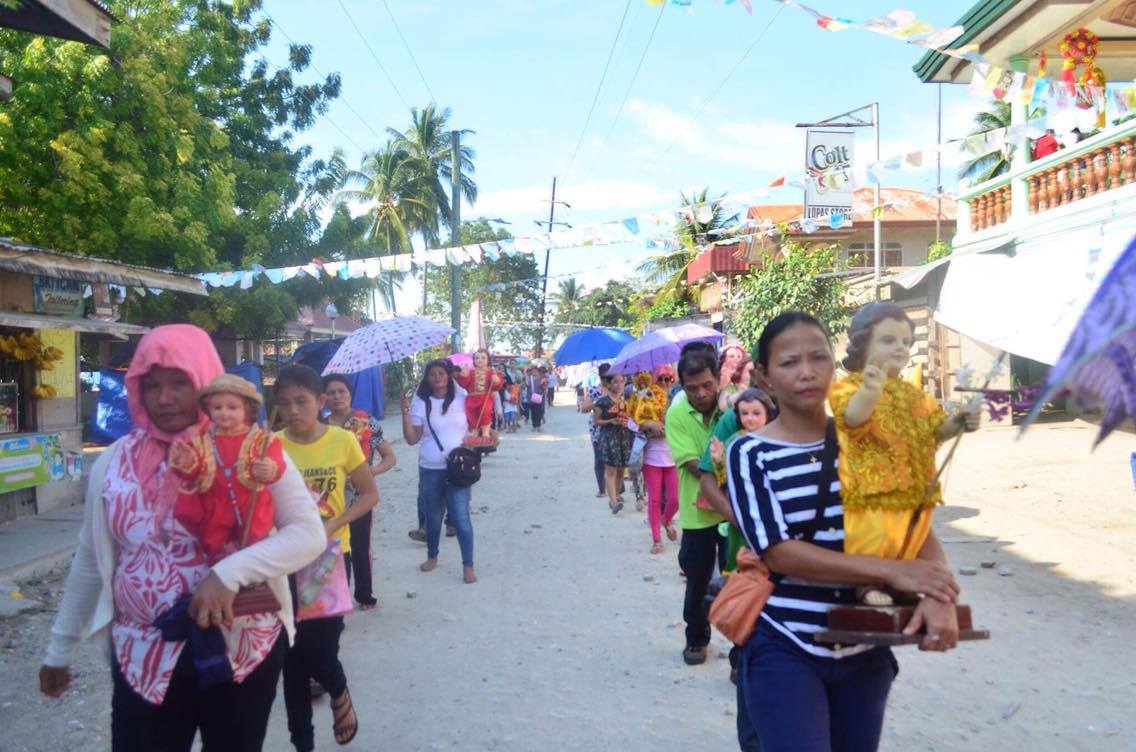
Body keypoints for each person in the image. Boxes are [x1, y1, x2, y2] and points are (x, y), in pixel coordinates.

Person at [39, 325, 326, 752]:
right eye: (151, 385)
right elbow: (90, 557)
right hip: (143, 652)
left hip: (241, 649)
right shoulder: (113, 462)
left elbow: (308, 534)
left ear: (206, 383)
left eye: (179, 384)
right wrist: (58, 649)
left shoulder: (255, 449)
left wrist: (227, 574)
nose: (164, 398)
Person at [726, 311, 961, 752]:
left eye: (818, 358)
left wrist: (939, 595)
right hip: (787, 643)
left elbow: (913, 523)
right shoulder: (750, 453)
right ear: (764, 375)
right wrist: (891, 572)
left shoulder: (870, 438)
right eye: (790, 362)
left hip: (865, 644)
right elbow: (778, 552)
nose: (807, 372)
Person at [829, 303, 979, 605]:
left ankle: (901, 582)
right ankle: (868, 584)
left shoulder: (915, 395)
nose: (900, 347)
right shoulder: (849, 388)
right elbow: (852, 419)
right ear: (862, 345)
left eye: (905, 342)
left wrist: (959, 423)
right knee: (873, 537)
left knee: (908, 537)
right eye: (888, 341)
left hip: (913, 487)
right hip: (871, 488)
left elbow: (935, 429)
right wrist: (871, 391)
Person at [275, 365, 380, 750]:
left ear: (319, 402)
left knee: (321, 650)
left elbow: (369, 495)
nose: (294, 411)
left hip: (329, 558)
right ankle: (302, 742)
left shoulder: (341, 440)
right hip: (282, 561)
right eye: (284, 403)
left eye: (302, 401)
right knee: (291, 660)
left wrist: (335, 523)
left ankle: (338, 690)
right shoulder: (272, 446)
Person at [168, 373, 285, 564]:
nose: (224, 412)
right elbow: (192, 474)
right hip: (214, 508)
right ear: (208, 410)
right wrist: (185, 462)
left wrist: (268, 469)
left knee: (255, 551)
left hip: (251, 506)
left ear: (247, 409)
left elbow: (277, 465)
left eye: (232, 407)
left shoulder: (263, 439)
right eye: (217, 407)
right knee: (216, 550)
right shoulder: (200, 441)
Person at [664, 347, 725, 666]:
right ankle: (697, 639)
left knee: (740, 580)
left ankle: (742, 653)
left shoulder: (733, 407)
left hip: (734, 515)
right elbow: (689, 463)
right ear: (682, 386)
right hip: (697, 514)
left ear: (717, 379)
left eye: (707, 385)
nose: (701, 394)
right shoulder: (676, 414)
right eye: (692, 388)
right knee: (697, 579)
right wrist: (727, 468)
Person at [323, 373, 397, 610]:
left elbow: (389, 456)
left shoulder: (366, 422)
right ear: (324, 398)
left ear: (350, 394)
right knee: (333, 550)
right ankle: (337, 600)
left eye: (341, 391)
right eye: (331, 393)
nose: (337, 397)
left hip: (360, 497)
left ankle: (364, 594)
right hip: (329, 498)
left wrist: (370, 473)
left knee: (360, 546)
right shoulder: (319, 427)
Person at [401, 359, 477, 584]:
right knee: (433, 517)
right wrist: (405, 413)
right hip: (430, 468)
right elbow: (412, 439)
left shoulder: (463, 398)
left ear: (449, 375)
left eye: (441, 373)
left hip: (458, 469)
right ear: (427, 378)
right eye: (432, 374)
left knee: (461, 517)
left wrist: (483, 435)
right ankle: (432, 555)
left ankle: (468, 565)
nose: (437, 377)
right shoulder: (420, 403)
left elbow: (476, 424)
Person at [632, 366, 679, 554]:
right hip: (652, 457)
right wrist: (647, 424)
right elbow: (631, 421)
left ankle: (665, 520)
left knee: (675, 499)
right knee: (655, 500)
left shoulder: (679, 399)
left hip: (674, 456)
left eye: (669, 379)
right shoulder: (643, 397)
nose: (665, 383)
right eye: (661, 379)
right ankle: (657, 539)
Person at [593, 370, 635, 514]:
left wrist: (627, 422)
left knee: (621, 469)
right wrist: (611, 420)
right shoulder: (602, 402)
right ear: (609, 384)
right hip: (609, 438)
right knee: (610, 470)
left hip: (624, 437)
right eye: (615, 382)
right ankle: (613, 501)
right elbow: (596, 422)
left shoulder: (627, 401)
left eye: (621, 381)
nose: (619, 385)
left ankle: (616, 495)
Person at [456, 348, 503, 439]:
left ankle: (485, 433)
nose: (480, 360)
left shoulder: (491, 372)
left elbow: (496, 386)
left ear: (488, 360)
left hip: (485, 398)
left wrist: (496, 381)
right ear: (474, 360)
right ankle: (474, 432)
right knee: (472, 416)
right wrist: (464, 376)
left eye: (483, 358)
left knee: (485, 414)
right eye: (477, 358)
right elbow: (463, 384)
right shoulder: (470, 372)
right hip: (471, 398)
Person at [580, 363, 611, 498]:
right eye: (603, 376)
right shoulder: (594, 390)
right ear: (599, 376)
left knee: (614, 458)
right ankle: (602, 489)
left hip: (613, 427)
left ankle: (617, 489)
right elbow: (584, 408)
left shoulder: (616, 389)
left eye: (608, 376)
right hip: (597, 428)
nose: (606, 379)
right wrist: (598, 403)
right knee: (599, 459)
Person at [526, 367, 549, 432]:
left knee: (539, 412)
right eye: (533, 371)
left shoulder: (541, 379)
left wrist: (544, 385)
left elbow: (544, 388)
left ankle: (538, 426)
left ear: (538, 372)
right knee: (533, 412)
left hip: (539, 397)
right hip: (531, 398)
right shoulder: (529, 379)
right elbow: (526, 386)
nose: (534, 372)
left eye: (535, 371)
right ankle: (534, 426)